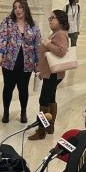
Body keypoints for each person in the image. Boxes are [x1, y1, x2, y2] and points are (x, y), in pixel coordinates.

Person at [0, 0, 41, 124]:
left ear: (25, 8)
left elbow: (38, 44)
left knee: (23, 88)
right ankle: (6, 112)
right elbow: (2, 39)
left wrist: (38, 62)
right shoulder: (7, 21)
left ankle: (23, 112)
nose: (17, 10)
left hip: (26, 62)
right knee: (8, 87)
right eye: (15, 7)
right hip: (9, 61)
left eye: (20, 7)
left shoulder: (33, 24)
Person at [28, 9, 69, 141]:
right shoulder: (56, 33)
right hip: (52, 73)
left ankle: (41, 130)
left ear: (61, 20)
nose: (50, 21)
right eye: (49, 18)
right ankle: (50, 127)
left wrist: (47, 44)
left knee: (43, 101)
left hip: (53, 74)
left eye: (53, 18)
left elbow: (62, 51)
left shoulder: (61, 34)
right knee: (51, 99)